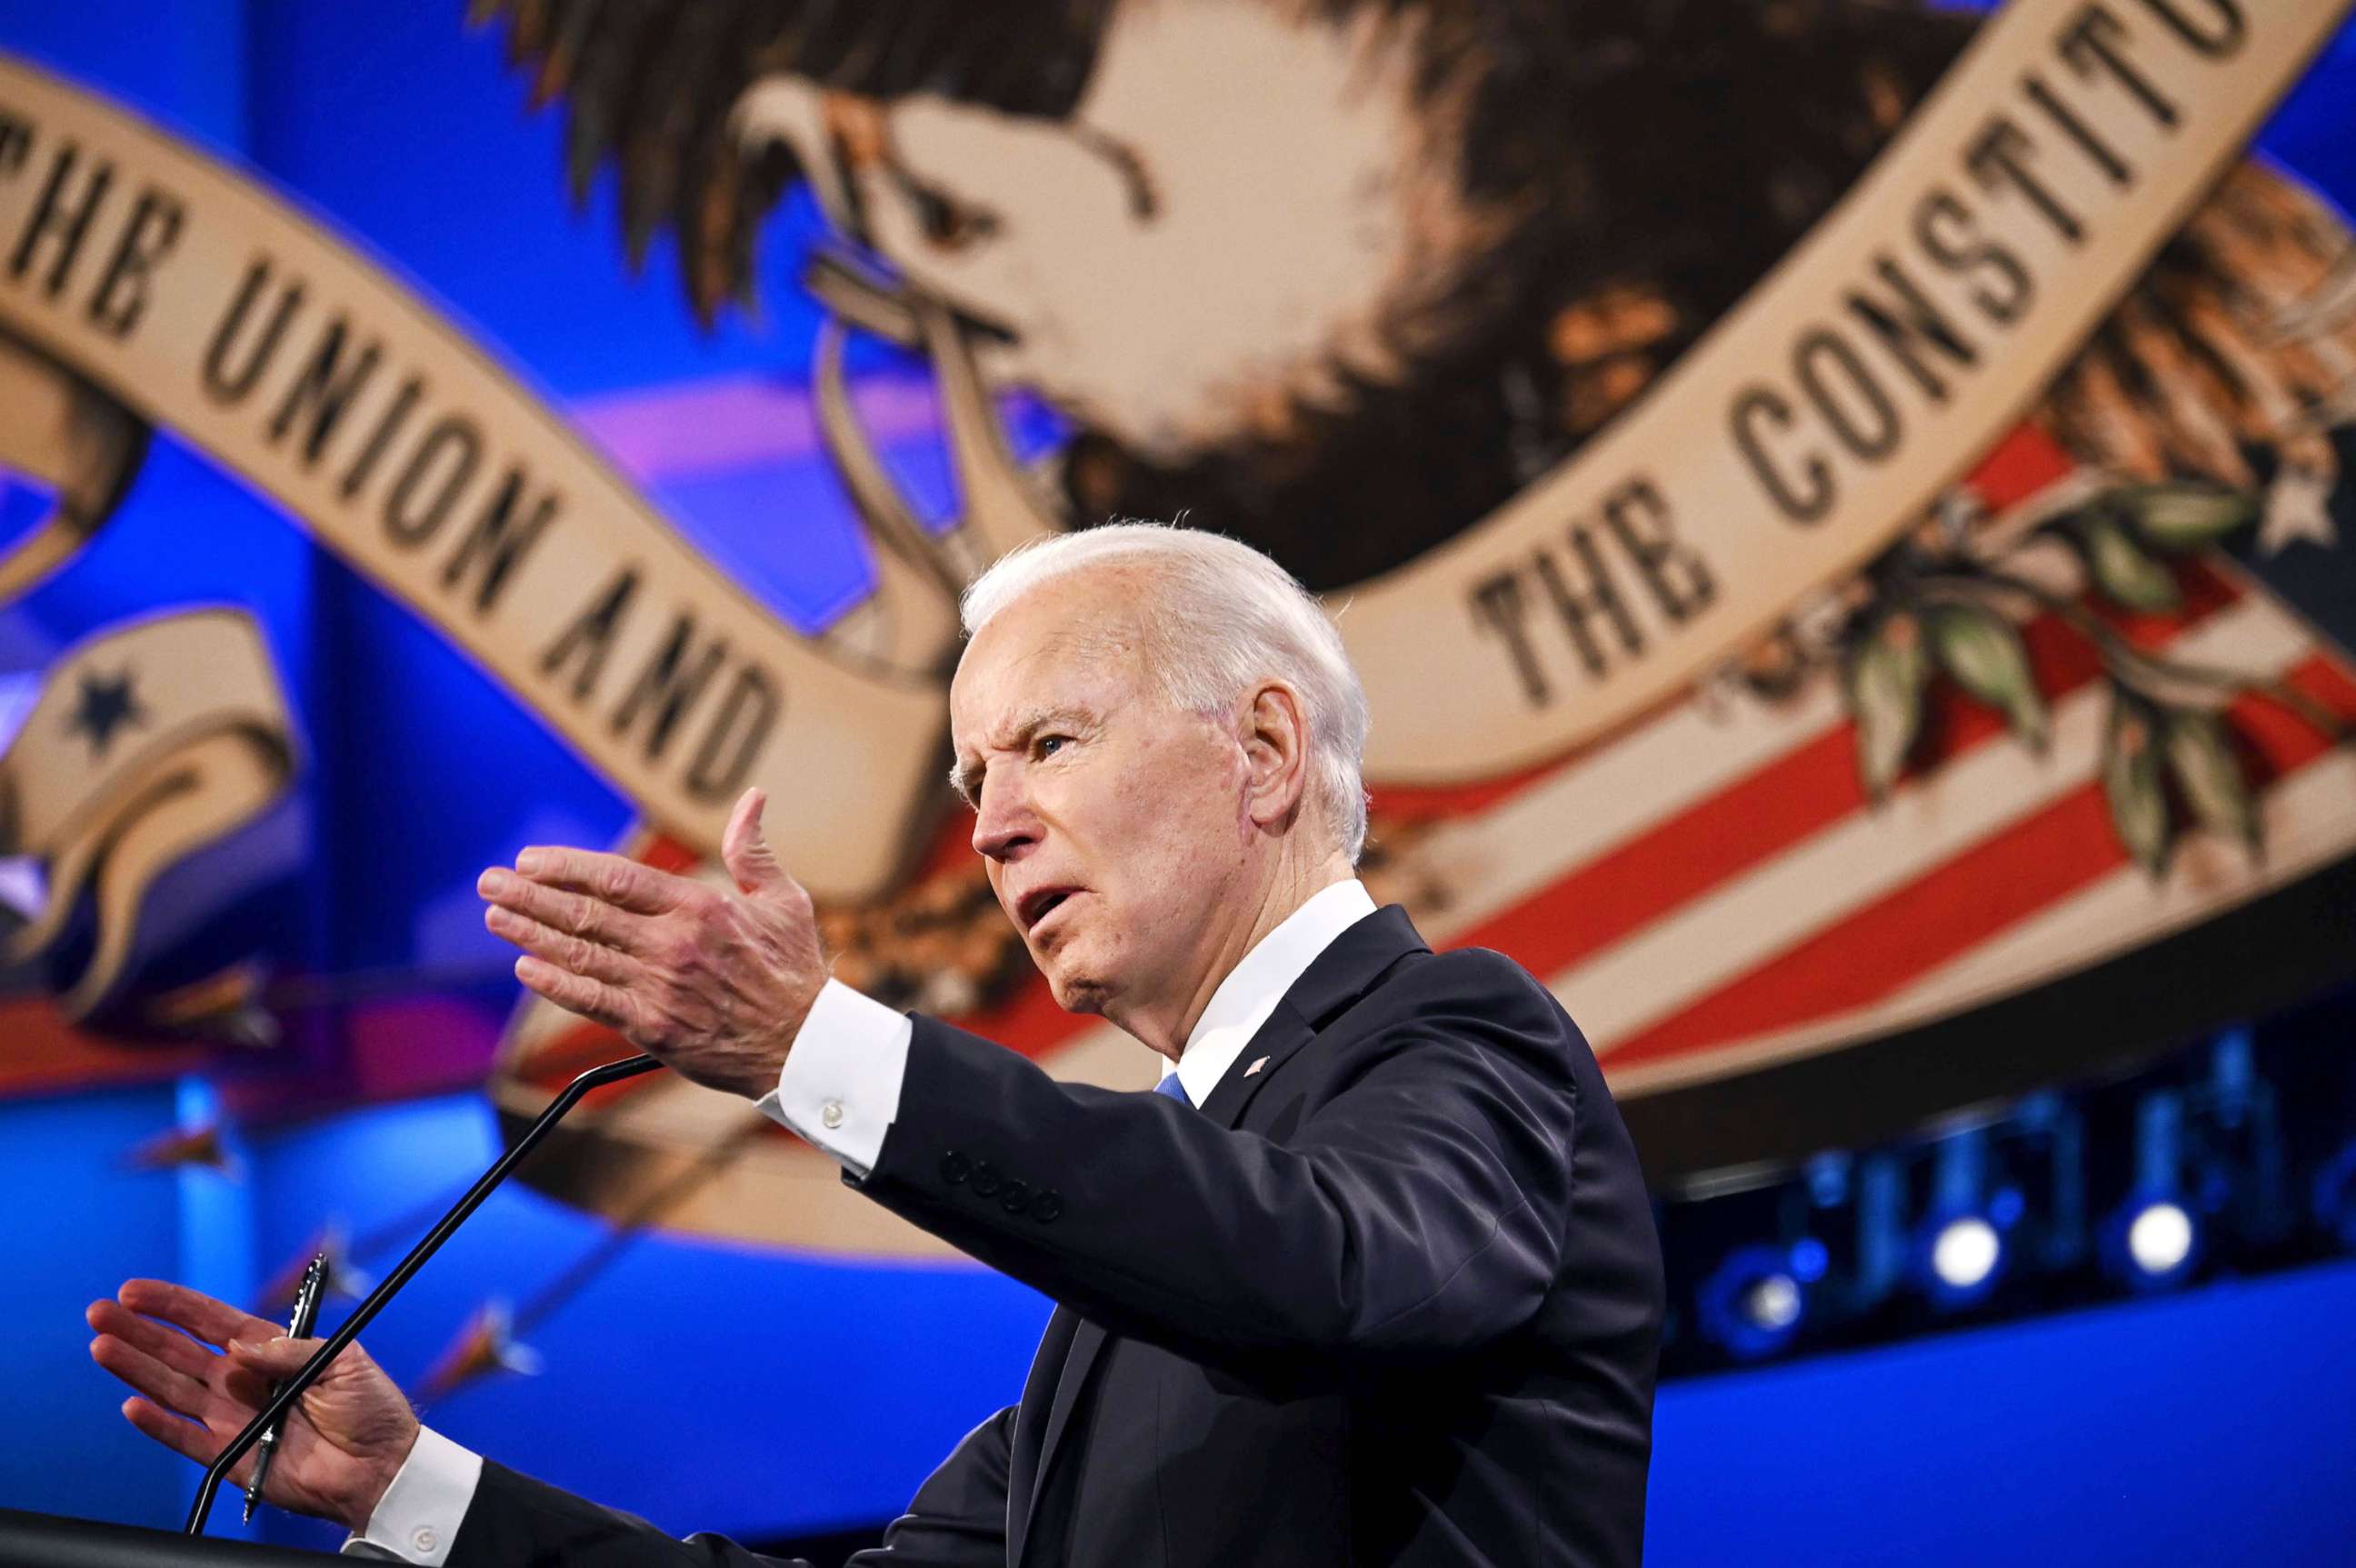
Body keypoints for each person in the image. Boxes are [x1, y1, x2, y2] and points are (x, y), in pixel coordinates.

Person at [88, 523, 1663, 1566]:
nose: (991, 829)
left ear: (1261, 752)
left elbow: (1317, 1265)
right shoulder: (1107, 1332)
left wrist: (811, 1044)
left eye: (1048, 744)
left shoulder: (1463, 1038)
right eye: (974, 783)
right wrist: (407, 1487)